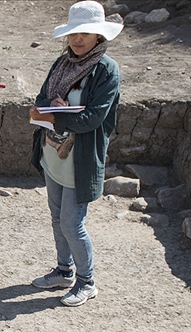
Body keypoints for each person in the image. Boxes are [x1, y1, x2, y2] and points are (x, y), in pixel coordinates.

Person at [29, 1, 123, 306]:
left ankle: (87, 281)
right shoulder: (62, 64)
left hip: (79, 161)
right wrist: (51, 105)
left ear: (98, 36)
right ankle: (64, 271)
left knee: (72, 223)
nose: (78, 39)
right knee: (57, 218)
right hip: (55, 154)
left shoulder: (106, 70)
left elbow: (94, 118)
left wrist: (55, 116)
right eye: (73, 34)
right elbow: (43, 96)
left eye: (85, 33)